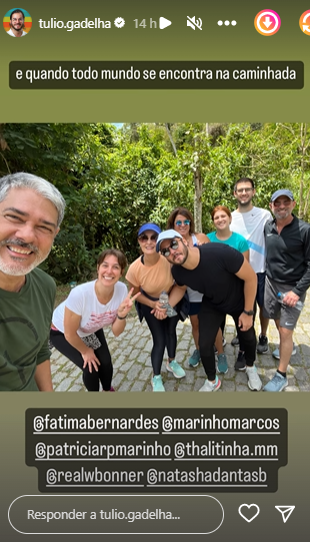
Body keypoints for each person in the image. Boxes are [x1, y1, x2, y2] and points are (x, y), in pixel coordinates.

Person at [156, 230, 262, 392]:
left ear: (184, 241)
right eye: (166, 251)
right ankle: (212, 380)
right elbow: (180, 287)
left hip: (239, 299)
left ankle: (250, 366)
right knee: (204, 344)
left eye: (174, 244)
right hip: (213, 303)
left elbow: (251, 278)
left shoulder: (220, 252)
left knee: (247, 336)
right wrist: (166, 306)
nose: (172, 251)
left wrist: (248, 312)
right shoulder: (178, 271)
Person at [0, 172, 66, 391]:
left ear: (54, 235)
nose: (27, 235)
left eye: (44, 227)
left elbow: (39, 352)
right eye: (15, 217)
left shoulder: (45, 285)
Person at [51, 249, 138, 392]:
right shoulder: (80, 294)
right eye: (105, 265)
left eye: (115, 267)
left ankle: (107, 390)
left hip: (90, 328)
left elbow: (116, 332)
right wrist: (86, 351)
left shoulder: (122, 290)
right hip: (62, 331)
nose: (109, 271)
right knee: (91, 368)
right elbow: (70, 333)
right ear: (98, 268)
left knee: (105, 362)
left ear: (121, 272)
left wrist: (121, 315)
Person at [126, 223, 186, 392]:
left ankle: (172, 361)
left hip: (169, 299)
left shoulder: (168, 258)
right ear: (139, 241)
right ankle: (156, 376)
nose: (149, 241)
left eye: (154, 237)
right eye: (144, 237)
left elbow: (179, 282)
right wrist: (154, 305)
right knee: (159, 340)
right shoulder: (134, 269)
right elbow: (136, 294)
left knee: (171, 332)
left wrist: (166, 304)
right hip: (149, 304)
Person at [263, 189, 310, 392]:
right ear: (271, 206)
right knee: (276, 320)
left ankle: (281, 376)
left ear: (292, 204)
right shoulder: (268, 226)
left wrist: (297, 292)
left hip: (293, 288)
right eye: (277, 203)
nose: (281, 206)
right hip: (271, 284)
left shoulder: (304, 230)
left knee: (285, 331)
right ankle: (284, 348)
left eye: (286, 202)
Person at [230, 177, 272, 369]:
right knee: (243, 309)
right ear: (235, 194)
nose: (244, 193)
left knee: (263, 307)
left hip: (260, 271)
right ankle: (244, 340)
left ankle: (263, 335)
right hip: (238, 273)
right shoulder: (229, 218)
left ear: (254, 192)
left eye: (247, 189)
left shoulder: (265, 215)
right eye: (240, 190)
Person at [207, 205, 249, 374]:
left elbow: (246, 270)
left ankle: (243, 353)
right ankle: (220, 343)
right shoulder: (207, 239)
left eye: (223, 216)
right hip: (214, 291)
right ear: (213, 222)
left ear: (230, 219)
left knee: (241, 324)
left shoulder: (240, 241)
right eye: (216, 217)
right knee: (218, 321)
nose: (220, 220)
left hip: (235, 290)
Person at [167, 207, 209, 368]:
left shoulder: (200, 237)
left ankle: (219, 351)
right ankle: (199, 350)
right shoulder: (169, 243)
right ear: (173, 224)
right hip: (185, 291)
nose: (183, 225)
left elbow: (212, 260)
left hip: (206, 289)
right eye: (179, 222)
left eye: (186, 221)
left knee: (212, 322)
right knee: (195, 323)